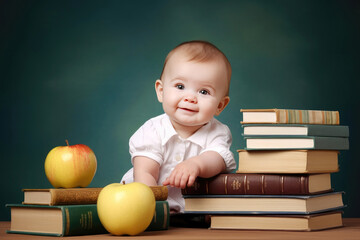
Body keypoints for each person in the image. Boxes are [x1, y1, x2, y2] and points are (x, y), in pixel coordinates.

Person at [121, 40, 236, 213]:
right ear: (161, 91)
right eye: (180, 86)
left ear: (220, 105)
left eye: (204, 92)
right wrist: (152, 209)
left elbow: (218, 158)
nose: (190, 98)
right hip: (147, 205)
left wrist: (196, 164)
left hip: (190, 211)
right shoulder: (152, 130)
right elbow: (145, 173)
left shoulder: (217, 132)